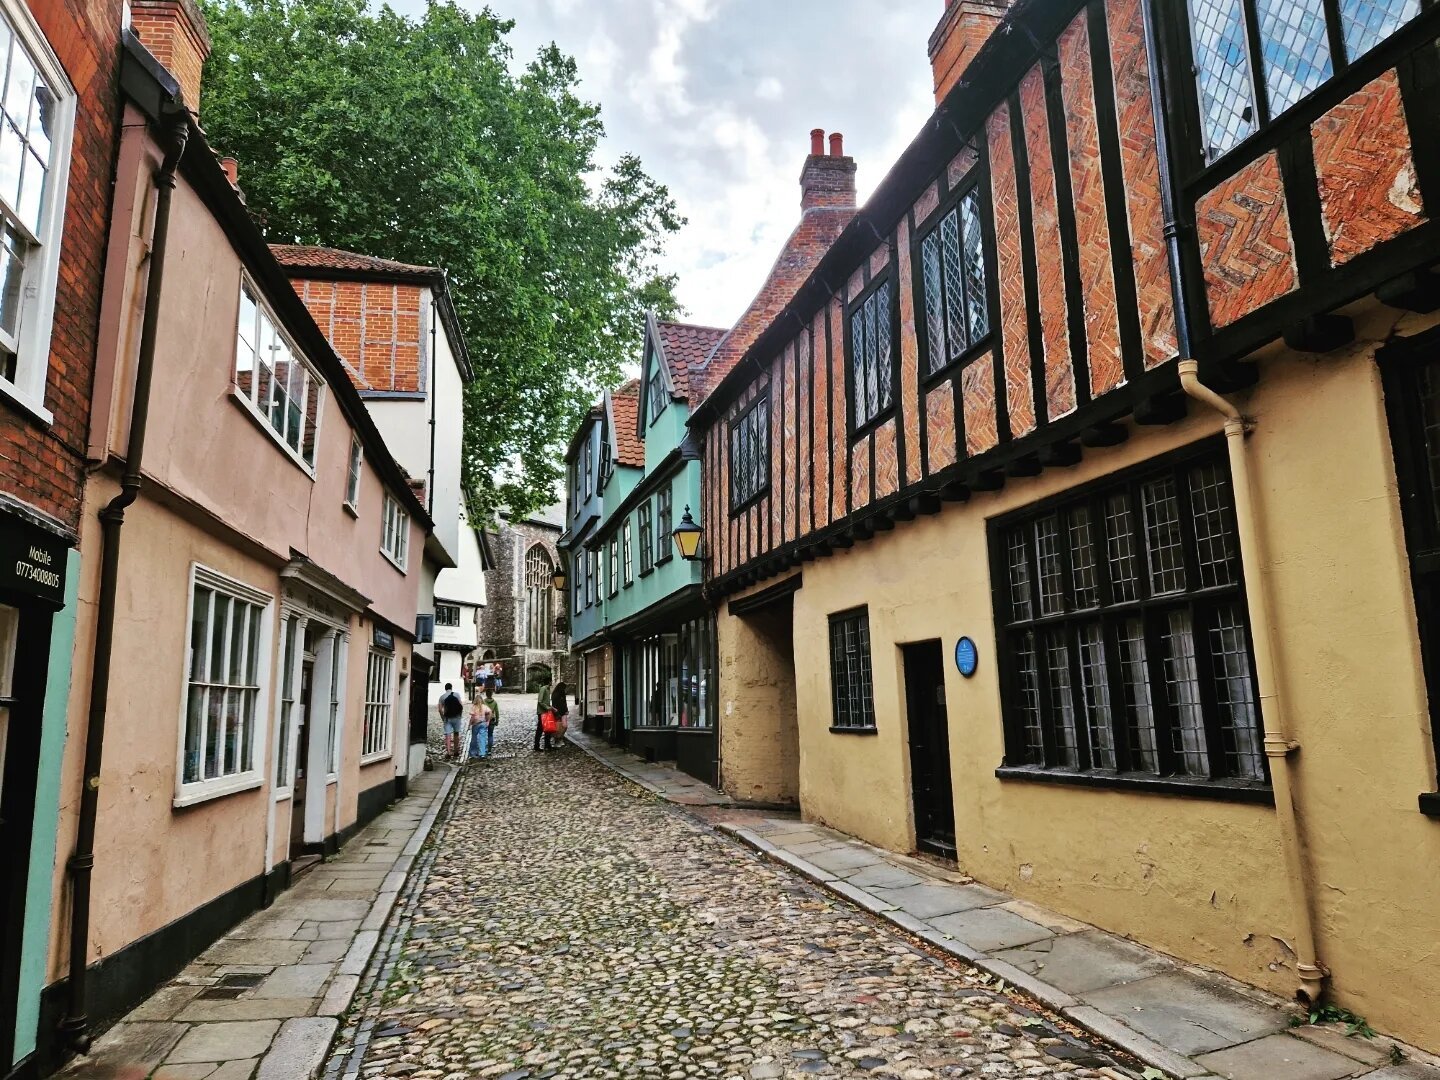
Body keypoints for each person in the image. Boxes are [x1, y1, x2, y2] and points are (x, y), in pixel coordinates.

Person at [438, 682, 465, 761]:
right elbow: (461, 706)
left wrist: (443, 718)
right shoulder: (457, 695)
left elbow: (440, 709)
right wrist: (460, 715)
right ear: (451, 688)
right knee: (456, 734)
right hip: (457, 717)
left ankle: (449, 752)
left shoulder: (442, 697)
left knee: (448, 735)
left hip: (447, 718)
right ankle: (456, 751)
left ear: (445, 688)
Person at [467, 691, 492, 761]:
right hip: (483, 723)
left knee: (474, 739)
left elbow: (472, 717)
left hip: (476, 724)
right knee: (482, 739)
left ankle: (473, 753)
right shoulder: (484, 706)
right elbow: (490, 712)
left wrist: (469, 725)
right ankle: (482, 753)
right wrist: (488, 721)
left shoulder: (474, 707)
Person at [533, 679, 553, 752]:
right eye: (551, 681)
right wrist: (548, 708)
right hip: (542, 712)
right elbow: (540, 701)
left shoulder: (547, 689)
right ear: (549, 681)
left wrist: (552, 708)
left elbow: (546, 702)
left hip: (546, 712)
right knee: (540, 729)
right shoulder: (543, 689)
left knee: (548, 729)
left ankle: (547, 745)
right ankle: (536, 745)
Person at [482, 681, 500, 753]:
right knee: (490, 735)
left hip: (484, 719)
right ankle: (489, 749)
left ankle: (482, 749)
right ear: (492, 694)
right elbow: (497, 712)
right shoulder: (495, 702)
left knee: (483, 735)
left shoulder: (483, 701)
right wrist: (497, 720)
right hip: (492, 719)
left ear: (486, 694)